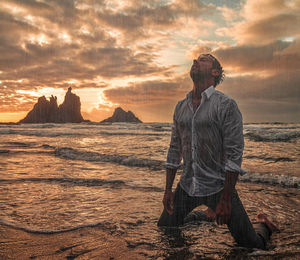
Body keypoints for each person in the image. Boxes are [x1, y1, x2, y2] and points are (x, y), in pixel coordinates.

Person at [157, 54, 279, 249]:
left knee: (252, 246)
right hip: (187, 187)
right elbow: (174, 149)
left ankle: (263, 223)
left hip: (219, 188)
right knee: (165, 228)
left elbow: (234, 154)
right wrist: (168, 189)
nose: (195, 61)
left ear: (215, 72)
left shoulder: (226, 105)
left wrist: (225, 199)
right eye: (196, 59)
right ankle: (205, 215)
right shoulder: (181, 107)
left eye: (203, 59)